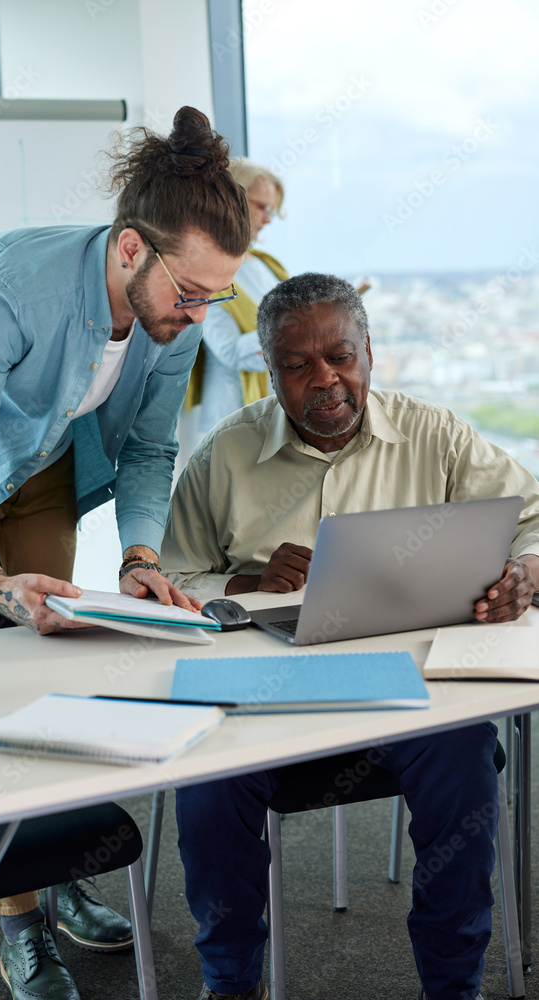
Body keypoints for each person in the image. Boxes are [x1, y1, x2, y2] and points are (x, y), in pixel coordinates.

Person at [0, 107, 250, 1000]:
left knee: (42, 658)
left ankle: (47, 859)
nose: (199, 314)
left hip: (41, 460)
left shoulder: (175, 313)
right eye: (190, 292)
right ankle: (22, 924)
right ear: (129, 251)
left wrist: (140, 557)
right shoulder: (15, 290)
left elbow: (152, 452)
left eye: (215, 297)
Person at [161, 272, 539, 1000]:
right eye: (297, 365)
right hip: (266, 686)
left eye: (340, 356)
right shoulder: (224, 454)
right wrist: (241, 586)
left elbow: (533, 514)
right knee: (206, 788)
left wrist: (527, 571)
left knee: (465, 758)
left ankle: (452, 984)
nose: (324, 379)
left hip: (405, 677)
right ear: (268, 372)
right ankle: (229, 982)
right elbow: (173, 578)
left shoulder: (434, 434)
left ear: (369, 352)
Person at [184, 158, 289, 434]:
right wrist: (293, 330)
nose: (268, 218)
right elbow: (229, 350)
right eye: (262, 207)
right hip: (233, 419)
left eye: (271, 211)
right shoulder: (208, 269)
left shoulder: (265, 265)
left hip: (277, 411)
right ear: (232, 199)